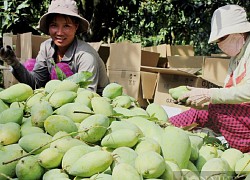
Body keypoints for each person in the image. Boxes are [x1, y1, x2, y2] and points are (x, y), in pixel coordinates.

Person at [169, 4, 250, 153]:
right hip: (242, 116)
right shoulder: (236, 57)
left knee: (216, 106)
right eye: (218, 40)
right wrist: (201, 102)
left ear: (239, 32)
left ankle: (245, 151)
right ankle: (162, 127)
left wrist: (208, 95)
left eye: (222, 38)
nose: (220, 44)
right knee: (198, 112)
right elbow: (228, 95)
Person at [0, 0, 109, 95]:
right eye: (54, 25)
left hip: (93, 98)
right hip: (61, 96)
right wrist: (13, 62)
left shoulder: (86, 55)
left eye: (66, 26)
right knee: (30, 64)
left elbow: (87, 95)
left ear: (76, 27)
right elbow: (36, 83)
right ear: (48, 27)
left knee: (60, 69)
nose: (60, 33)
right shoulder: (46, 47)